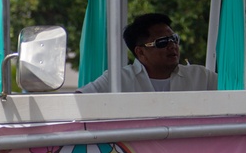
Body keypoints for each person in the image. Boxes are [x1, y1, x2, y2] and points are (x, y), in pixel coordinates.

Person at [77, 13, 218, 93]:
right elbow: (78, 100)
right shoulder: (118, 80)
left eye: (174, 39)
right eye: (162, 42)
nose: (172, 46)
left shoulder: (202, 77)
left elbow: (236, 95)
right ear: (140, 52)